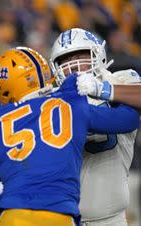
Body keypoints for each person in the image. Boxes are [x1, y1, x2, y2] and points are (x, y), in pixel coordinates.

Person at [0, 46, 139, 226]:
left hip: (13, 214)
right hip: (59, 214)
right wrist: (102, 91)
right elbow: (129, 119)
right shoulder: (68, 106)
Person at [50, 27, 139, 226]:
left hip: (109, 218)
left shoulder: (120, 80)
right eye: (65, 60)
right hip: (62, 217)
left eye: (81, 55)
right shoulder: (51, 97)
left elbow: (132, 111)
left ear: (97, 54)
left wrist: (101, 89)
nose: (73, 66)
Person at [76, 71, 141, 109]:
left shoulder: (120, 78)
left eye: (79, 57)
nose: (74, 65)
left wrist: (101, 89)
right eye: (68, 59)